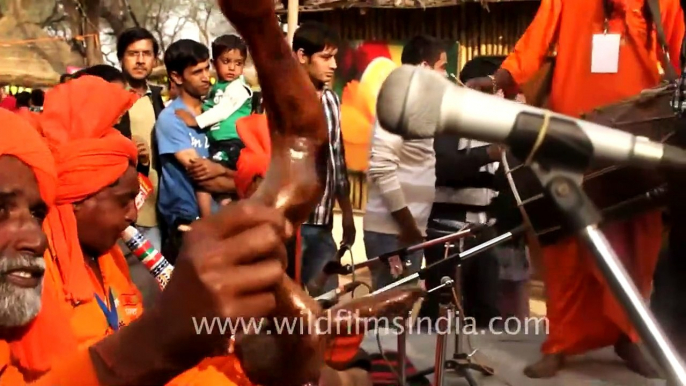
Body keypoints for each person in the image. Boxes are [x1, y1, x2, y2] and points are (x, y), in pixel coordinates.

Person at [466, 0, 684, 378]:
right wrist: (502, 77)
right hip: (574, 137)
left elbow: (679, 50)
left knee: (636, 242)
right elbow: (536, 39)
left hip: (640, 138)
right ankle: (562, 341)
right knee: (565, 244)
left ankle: (630, 336)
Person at [0, 107, 291, 385]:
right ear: (77, 200)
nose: (133, 214)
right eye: (1, 210)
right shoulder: (34, 276)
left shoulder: (110, 259)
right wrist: (168, 330)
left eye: (36, 214)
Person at [364, 35, 443, 290]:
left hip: (406, 232)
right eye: (442, 67)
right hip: (393, 233)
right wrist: (408, 225)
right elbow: (382, 168)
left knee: (400, 317)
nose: (446, 75)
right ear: (424, 67)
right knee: (388, 319)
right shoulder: (398, 103)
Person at [155, 39, 236, 264]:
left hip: (222, 226)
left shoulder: (216, 115)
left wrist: (230, 176)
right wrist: (242, 181)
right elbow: (201, 174)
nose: (205, 77)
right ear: (177, 77)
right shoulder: (171, 119)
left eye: (206, 68)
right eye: (196, 72)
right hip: (190, 228)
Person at [292, 22, 356, 292]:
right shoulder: (283, 101)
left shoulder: (330, 99)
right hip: (293, 222)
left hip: (322, 222)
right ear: (302, 56)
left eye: (335, 57)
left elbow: (336, 158)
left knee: (326, 302)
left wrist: (348, 213)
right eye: (326, 57)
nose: (334, 65)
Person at [175, 34, 253, 210]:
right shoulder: (217, 88)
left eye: (238, 63)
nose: (232, 67)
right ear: (214, 62)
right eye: (226, 61)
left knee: (203, 179)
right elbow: (211, 105)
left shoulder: (238, 88)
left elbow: (222, 110)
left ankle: (208, 220)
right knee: (221, 190)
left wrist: (195, 121)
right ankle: (226, 211)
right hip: (220, 142)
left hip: (233, 142)